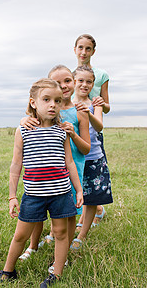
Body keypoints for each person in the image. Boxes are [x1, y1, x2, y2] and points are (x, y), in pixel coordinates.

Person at [0, 78, 84, 287]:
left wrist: (79, 190)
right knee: (21, 235)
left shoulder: (62, 131)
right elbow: (16, 165)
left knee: (61, 233)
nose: (53, 104)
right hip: (33, 195)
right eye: (46, 99)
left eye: (57, 100)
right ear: (33, 102)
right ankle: (8, 270)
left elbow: (70, 163)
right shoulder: (23, 131)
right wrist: (12, 196)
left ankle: (57, 273)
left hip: (61, 194)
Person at [19, 66, 90, 265]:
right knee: (38, 211)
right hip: (47, 170)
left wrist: (73, 133)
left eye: (67, 80)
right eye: (57, 83)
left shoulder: (80, 111)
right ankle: (33, 245)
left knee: (69, 215)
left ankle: (62, 255)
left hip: (73, 166)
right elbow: (32, 122)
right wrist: (25, 119)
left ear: (74, 82)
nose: (63, 86)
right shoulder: (45, 108)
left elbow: (86, 148)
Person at [70, 65, 113, 249]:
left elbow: (99, 127)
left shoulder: (95, 103)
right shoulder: (67, 103)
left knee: (91, 199)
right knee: (72, 196)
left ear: (93, 84)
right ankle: (62, 232)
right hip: (74, 159)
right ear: (73, 82)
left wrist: (88, 111)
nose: (84, 84)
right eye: (80, 81)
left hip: (94, 158)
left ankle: (81, 236)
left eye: (89, 82)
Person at [74, 34, 110, 227]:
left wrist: (97, 106)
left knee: (91, 174)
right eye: (80, 48)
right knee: (79, 175)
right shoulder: (71, 74)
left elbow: (107, 105)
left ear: (93, 52)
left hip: (93, 124)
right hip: (76, 129)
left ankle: (89, 216)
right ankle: (92, 210)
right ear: (75, 49)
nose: (84, 52)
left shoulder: (101, 75)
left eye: (88, 49)